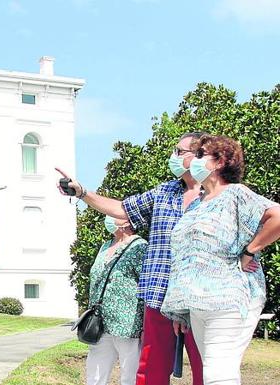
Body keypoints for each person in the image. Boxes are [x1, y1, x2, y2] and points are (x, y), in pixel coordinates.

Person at [56, 132, 208, 385]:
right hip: (159, 293)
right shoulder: (165, 192)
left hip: (200, 295)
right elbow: (122, 209)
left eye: (180, 152)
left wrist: (249, 254)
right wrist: (82, 192)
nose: (173, 156)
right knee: (151, 369)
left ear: (200, 156)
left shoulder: (220, 194)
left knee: (206, 367)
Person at [161, 134, 280, 385]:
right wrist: (181, 310)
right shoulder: (197, 204)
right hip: (197, 303)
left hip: (228, 296)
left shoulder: (236, 193)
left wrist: (250, 250)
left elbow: (277, 216)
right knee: (213, 371)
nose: (195, 160)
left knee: (218, 372)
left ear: (220, 162)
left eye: (202, 155)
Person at [85, 216, 147, 385]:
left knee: (130, 376)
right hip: (100, 322)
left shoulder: (139, 247)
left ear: (127, 221)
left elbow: (146, 286)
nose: (108, 219)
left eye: (114, 215)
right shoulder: (106, 246)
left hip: (128, 324)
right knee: (95, 375)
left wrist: (145, 324)